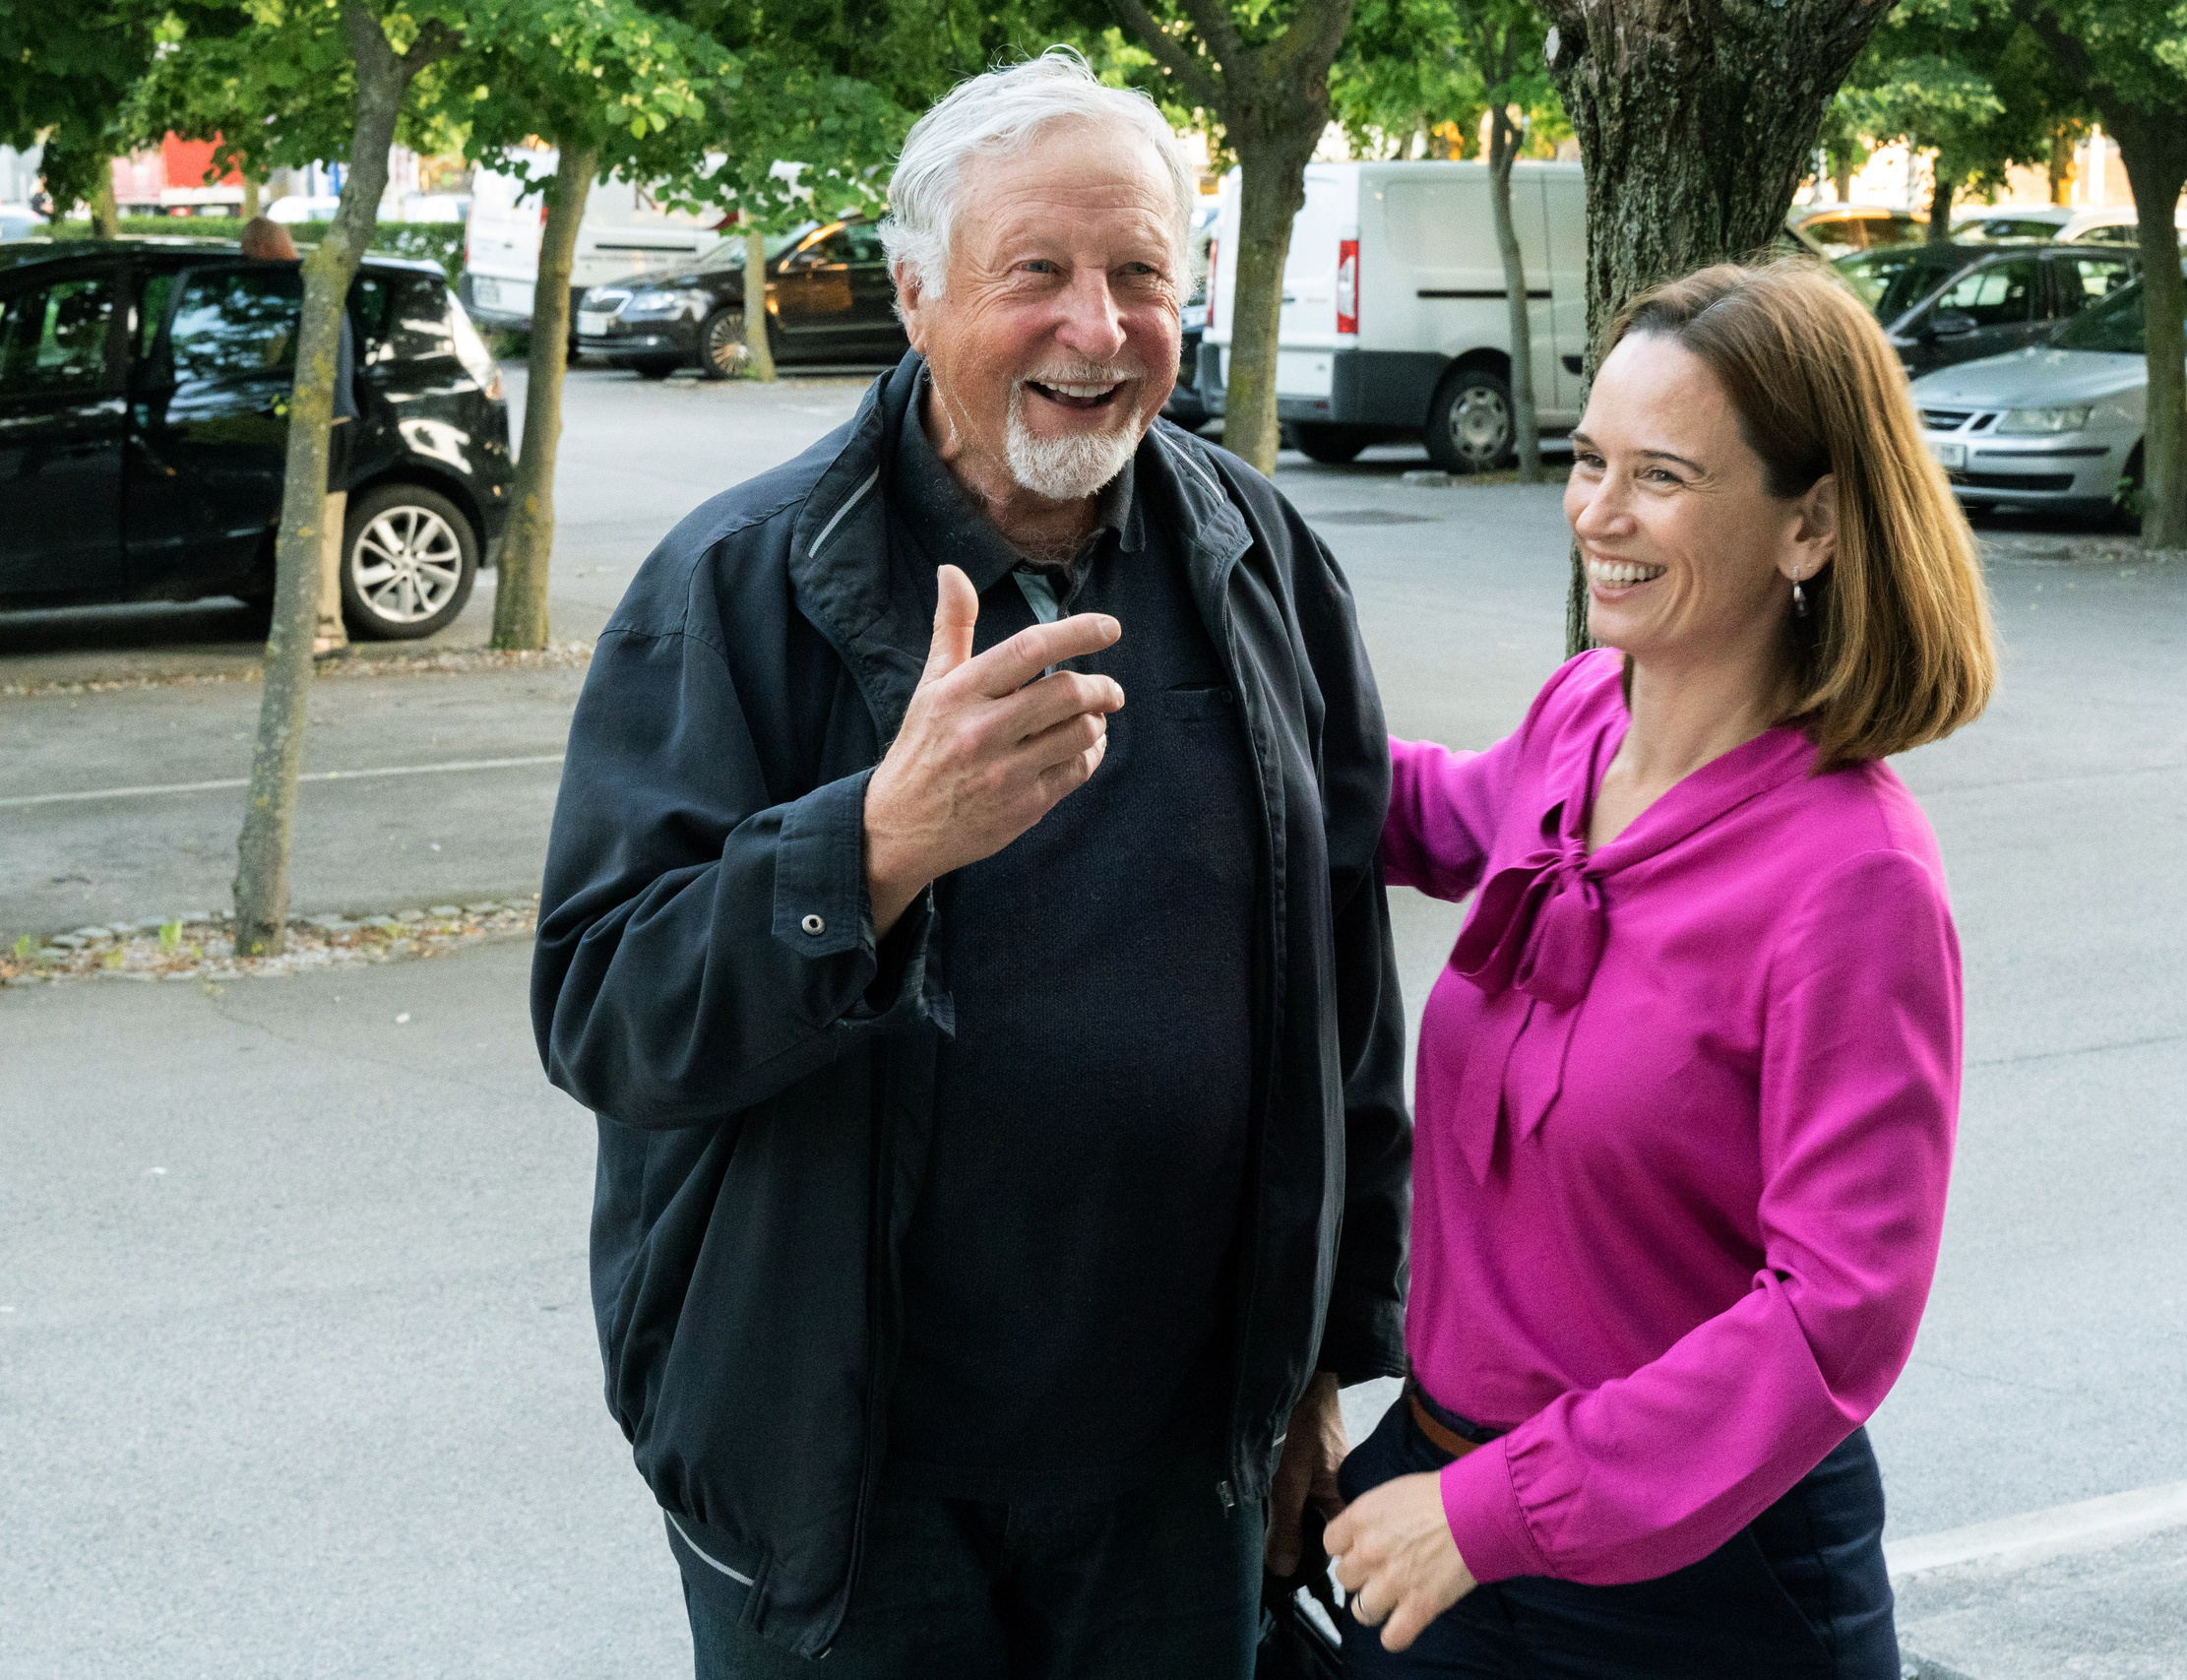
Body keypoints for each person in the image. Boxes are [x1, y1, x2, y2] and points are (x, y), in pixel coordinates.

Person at [529, 49, 1409, 1680]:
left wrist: (1324, 1363)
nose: (1098, 325)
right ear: (919, 293)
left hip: (1175, 1477)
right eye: (1039, 274)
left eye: (1141, 272)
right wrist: (869, 847)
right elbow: (604, 1012)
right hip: (850, 1492)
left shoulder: (1264, 562)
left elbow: (1341, 1005)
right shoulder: (739, 585)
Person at [1326, 260, 1998, 1677]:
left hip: (1695, 1593)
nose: (1597, 515)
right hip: (1439, 1504)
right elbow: (1434, 809)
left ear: (1808, 523)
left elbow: (1836, 1316)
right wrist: (1188, 711)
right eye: (1587, 459)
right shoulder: (1584, 714)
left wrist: (1492, 1511)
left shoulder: (1855, 877)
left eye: (1663, 476)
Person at [239, 214, 357, 654]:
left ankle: (326, 630)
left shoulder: (299, 289)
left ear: (262, 250)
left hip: (325, 425)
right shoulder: (313, 281)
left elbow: (278, 356)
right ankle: (314, 624)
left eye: (247, 255)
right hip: (334, 420)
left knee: (320, 529)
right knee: (313, 529)